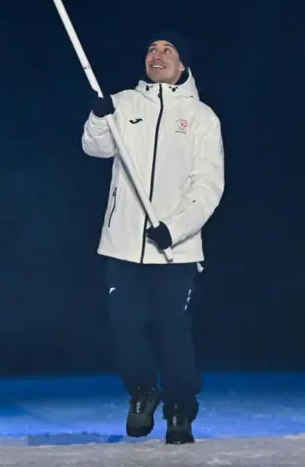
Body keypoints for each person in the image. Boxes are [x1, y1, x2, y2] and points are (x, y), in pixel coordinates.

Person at [81, 31, 226, 445]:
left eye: (167, 51)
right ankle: (142, 392)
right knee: (124, 327)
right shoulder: (124, 104)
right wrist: (97, 116)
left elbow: (208, 186)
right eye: (151, 49)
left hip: (175, 251)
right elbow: (95, 148)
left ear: (182, 65)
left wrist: (175, 228)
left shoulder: (201, 118)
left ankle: (180, 408)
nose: (156, 56)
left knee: (173, 331)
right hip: (122, 244)